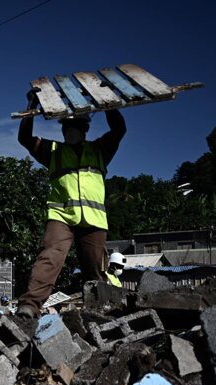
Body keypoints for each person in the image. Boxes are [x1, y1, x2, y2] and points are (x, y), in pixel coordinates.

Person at [16, 92, 126, 318]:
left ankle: (98, 311)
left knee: (95, 268)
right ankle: (30, 305)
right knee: (51, 256)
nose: (72, 131)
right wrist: (31, 106)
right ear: (63, 130)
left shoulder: (99, 150)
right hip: (62, 216)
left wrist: (107, 105)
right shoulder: (53, 151)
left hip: (94, 219)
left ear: (85, 130)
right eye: (68, 127)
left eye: (77, 127)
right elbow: (25, 138)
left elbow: (118, 130)